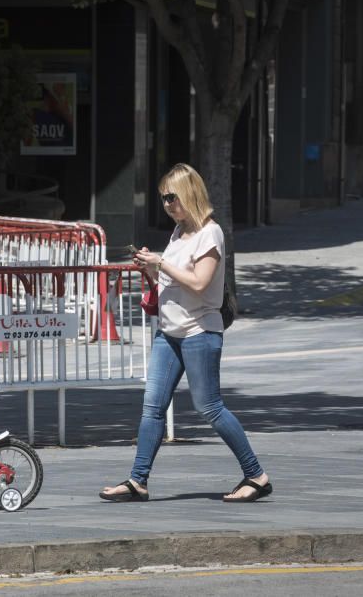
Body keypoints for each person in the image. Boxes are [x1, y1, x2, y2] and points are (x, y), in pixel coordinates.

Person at [99, 163, 272, 504]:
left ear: (189, 194)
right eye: (162, 198)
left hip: (200, 333)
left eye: (170, 197)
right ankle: (138, 481)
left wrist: (161, 262)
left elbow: (199, 282)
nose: (166, 204)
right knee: (152, 408)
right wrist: (152, 267)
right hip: (169, 333)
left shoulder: (211, 234)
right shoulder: (179, 232)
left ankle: (256, 475)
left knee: (209, 407)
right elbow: (174, 278)